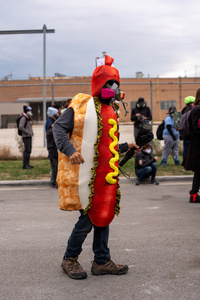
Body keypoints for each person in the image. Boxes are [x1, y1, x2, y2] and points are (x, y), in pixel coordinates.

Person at [53, 55, 139, 280]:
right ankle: (69, 259)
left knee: (104, 214)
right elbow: (58, 128)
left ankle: (101, 261)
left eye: (116, 84)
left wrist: (124, 147)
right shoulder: (82, 106)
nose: (113, 89)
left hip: (105, 176)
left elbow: (103, 144)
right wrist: (70, 151)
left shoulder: (110, 110)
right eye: (109, 84)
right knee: (88, 218)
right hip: (87, 177)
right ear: (99, 85)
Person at [182, 88, 200, 203]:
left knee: (199, 171)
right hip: (198, 145)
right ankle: (193, 195)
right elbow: (198, 128)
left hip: (197, 145)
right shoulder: (197, 109)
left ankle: (193, 194)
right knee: (198, 171)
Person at [46, 114, 59, 188]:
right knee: (56, 168)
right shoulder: (55, 129)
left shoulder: (49, 128)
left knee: (53, 168)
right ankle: (57, 183)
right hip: (54, 151)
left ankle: (53, 182)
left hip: (50, 151)